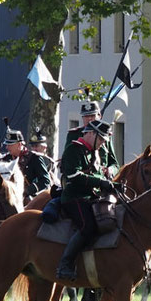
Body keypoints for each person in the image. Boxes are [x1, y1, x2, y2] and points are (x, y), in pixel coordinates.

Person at [56, 119, 117, 281]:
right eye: (102, 138)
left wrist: (112, 184)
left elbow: (99, 175)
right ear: (90, 134)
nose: (103, 143)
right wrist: (101, 182)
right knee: (87, 226)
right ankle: (65, 265)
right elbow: (74, 176)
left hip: (91, 197)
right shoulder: (73, 149)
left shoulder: (95, 152)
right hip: (74, 197)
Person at [65, 101, 120, 178]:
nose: (89, 118)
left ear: (99, 116)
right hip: (83, 179)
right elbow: (69, 162)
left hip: (104, 179)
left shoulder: (105, 136)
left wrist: (110, 170)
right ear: (82, 118)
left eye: (92, 115)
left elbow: (115, 164)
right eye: (86, 116)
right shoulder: (74, 135)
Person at [1, 127, 51, 201]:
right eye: (7, 144)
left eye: (10, 145)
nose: (7, 147)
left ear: (19, 144)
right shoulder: (5, 159)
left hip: (28, 198)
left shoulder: (34, 158)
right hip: (8, 197)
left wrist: (27, 191)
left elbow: (45, 180)